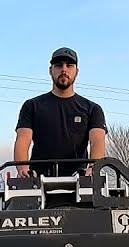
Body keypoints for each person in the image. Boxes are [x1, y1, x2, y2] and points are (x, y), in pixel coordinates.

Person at [14, 47, 107, 178]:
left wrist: (93, 168)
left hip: (79, 179)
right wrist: (23, 168)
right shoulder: (31, 106)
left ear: (77, 71)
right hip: (38, 179)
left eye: (69, 65)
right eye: (58, 65)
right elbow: (23, 138)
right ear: (50, 70)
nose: (64, 69)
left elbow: (97, 141)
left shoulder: (93, 109)